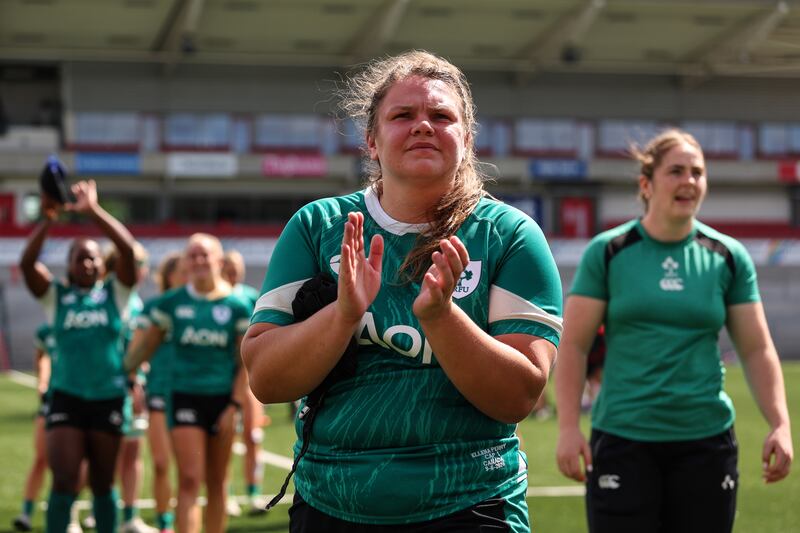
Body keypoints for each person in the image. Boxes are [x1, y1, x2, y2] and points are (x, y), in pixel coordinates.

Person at [242, 50, 563, 532]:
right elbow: (266, 381)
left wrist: (441, 318)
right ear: (371, 141)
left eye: (441, 116)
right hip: (331, 504)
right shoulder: (317, 227)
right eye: (403, 115)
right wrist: (343, 315)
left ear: (467, 139)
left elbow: (519, 396)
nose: (422, 126)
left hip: (470, 504)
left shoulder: (509, 235)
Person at [554, 128, 794, 533]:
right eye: (677, 171)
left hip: (706, 443)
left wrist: (781, 423)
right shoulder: (608, 252)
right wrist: (566, 428)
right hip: (623, 439)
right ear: (647, 184)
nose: (689, 181)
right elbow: (574, 344)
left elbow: (756, 349)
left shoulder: (728, 257)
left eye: (698, 172)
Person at [19, 180, 137, 533]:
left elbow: (128, 250)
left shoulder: (117, 293)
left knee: (103, 484)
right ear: (68, 265)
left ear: (102, 265)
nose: (86, 263)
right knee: (64, 480)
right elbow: (27, 264)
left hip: (109, 398)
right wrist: (49, 220)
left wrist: (93, 211)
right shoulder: (55, 297)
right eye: (79, 257)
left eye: (92, 258)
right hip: (67, 397)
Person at [125, 233, 251, 533]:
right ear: (185, 262)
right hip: (184, 398)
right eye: (192, 255)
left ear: (218, 261)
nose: (198, 260)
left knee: (218, 482)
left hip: (223, 401)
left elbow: (245, 363)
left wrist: (235, 404)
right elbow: (142, 351)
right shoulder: (170, 304)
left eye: (204, 254)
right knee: (190, 479)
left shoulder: (238, 305)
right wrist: (126, 368)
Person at [105, 243, 159, 533]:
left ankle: (130, 516)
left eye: (143, 263)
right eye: (137, 263)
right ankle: (100, 509)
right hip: (107, 388)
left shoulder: (137, 302)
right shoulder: (106, 296)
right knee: (102, 453)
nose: (142, 269)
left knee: (132, 452)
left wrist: (137, 378)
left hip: (132, 386)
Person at [131, 251, 186, 533]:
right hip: (159, 393)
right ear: (168, 276)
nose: (188, 274)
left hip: (194, 394)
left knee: (190, 471)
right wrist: (134, 383)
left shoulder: (203, 308)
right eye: (182, 270)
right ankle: (165, 523)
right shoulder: (154, 307)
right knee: (162, 463)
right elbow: (135, 352)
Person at [221, 250, 268, 514]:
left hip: (247, 379)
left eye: (236, 266)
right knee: (226, 440)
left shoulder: (251, 297)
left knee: (253, 435)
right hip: (223, 378)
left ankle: (254, 493)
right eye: (228, 265)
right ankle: (226, 495)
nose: (232, 270)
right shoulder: (217, 299)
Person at [12, 323, 54, 532]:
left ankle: (89, 512)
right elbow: (42, 358)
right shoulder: (46, 331)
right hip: (54, 400)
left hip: (86, 401)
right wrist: (42, 383)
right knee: (40, 458)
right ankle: (26, 513)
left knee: (83, 463)